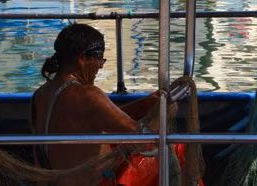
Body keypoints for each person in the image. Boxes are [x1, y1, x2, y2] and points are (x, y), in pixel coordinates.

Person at [31, 23, 169, 185]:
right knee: (176, 147)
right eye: (99, 60)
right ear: (83, 59)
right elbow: (142, 139)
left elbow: (99, 118)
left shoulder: (39, 95)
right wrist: (164, 110)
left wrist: (145, 104)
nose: (100, 67)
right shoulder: (88, 95)